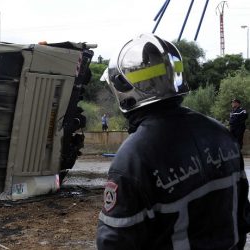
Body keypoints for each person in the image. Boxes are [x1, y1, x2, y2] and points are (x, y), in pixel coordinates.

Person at [97, 34, 250, 249]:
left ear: (124, 89)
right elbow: (242, 219)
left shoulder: (134, 157)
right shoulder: (221, 134)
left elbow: (115, 242)